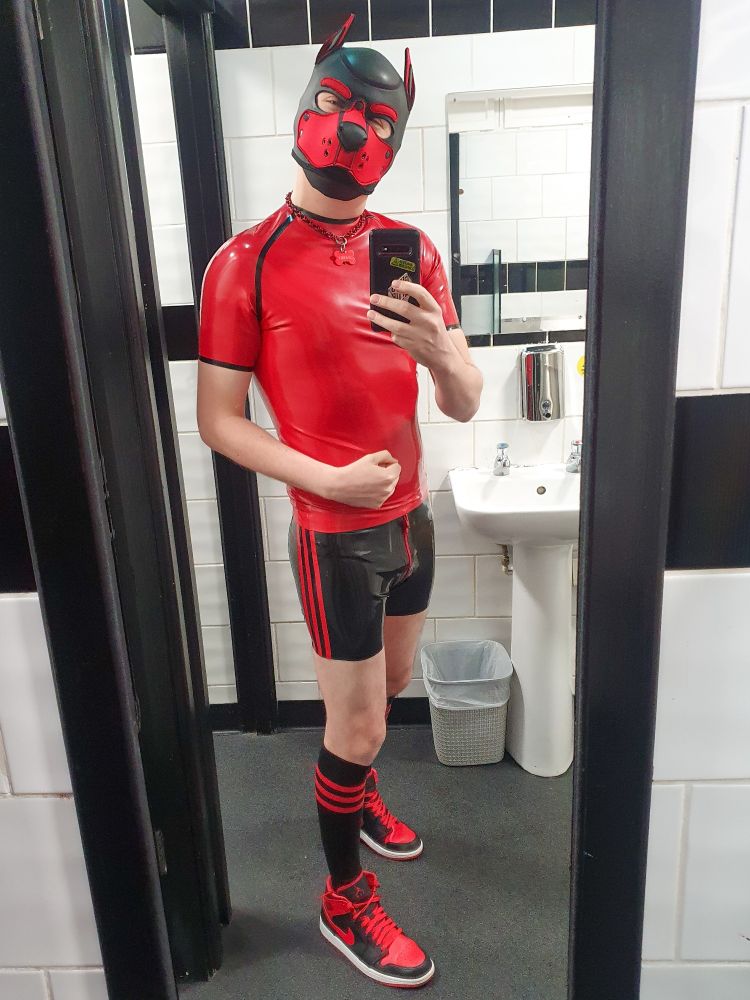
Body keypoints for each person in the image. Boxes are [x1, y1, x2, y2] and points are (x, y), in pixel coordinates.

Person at [196, 12, 482, 988]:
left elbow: (463, 399)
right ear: (308, 104)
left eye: (380, 121)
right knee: (353, 726)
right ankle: (342, 897)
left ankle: (356, 793)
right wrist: (322, 479)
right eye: (338, 103)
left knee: (387, 694)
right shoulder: (245, 261)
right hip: (333, 533)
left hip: (413, 518)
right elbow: (218, 422)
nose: (356, 128)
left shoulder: (409, 249)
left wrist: (442, 353)